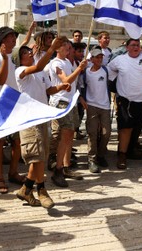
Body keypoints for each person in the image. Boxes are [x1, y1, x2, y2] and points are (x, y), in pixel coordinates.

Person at [15, 38, 69, 209]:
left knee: (40, 157)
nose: (29, 53)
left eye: (29, 51)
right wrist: (52, 47)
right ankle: (41, 189)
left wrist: (60, 88)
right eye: (24, 53)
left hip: (42, 116)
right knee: (36, 156)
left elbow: (47, 90)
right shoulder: (21, 71)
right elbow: (37, 66)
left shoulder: (40, 72)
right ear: (19, 59)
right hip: (29, 117)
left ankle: (26, 188)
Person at [108, 34, 142, 169]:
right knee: (125, 129)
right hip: (127, 102)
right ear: (126, 47)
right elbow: (109, 73)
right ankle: (122, 155)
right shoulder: (119, 60)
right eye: (132, 45)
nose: (135, 47)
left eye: (137, 45)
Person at [0, 26, 24, 194]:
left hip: (15, 103)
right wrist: (4, 59)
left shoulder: (16, 55)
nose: (13, 39)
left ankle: (13, 172)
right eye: (9, 37)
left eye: (14, 37)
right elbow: (1, 80)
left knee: (17, 141)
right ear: (2, 40)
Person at [48, 38, 87, 187]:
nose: (68, 48)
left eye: (68, 46)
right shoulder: (56, 63)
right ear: (57, 48)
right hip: (61, 102)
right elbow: (66, 80)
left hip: (70, 101)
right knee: (65, 135)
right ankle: (58, 169)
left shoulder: (68, 62)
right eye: (64, 46)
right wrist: (79, 69)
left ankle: (65, 166)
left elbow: (71, 84)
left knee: (70, 135)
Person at [80, 47, 112, 173]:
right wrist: (82, 99)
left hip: (105, 106)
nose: (99, 59)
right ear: (91, 59)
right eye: (97, 57)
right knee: (92, 133)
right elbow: (80, 87)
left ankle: (101, 154)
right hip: (91, 105)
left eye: (101, 57)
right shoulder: (86, 72)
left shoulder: (106, 70)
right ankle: (92, 159)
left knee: (106, 133)